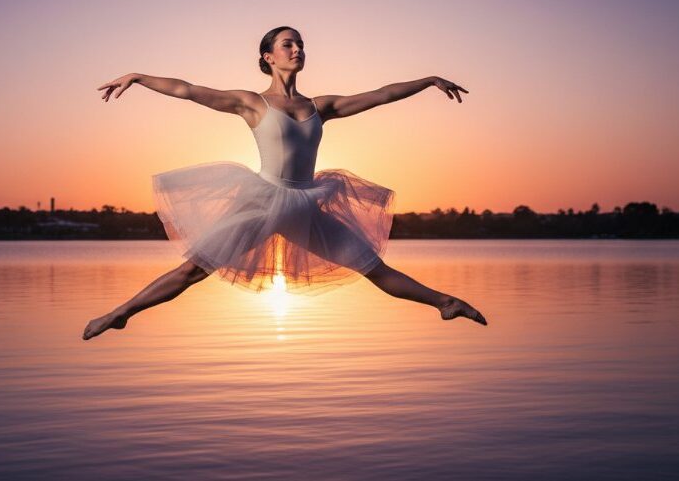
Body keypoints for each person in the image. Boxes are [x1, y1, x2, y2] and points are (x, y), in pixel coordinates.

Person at [83, 26, 486, 340]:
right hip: (261, 201)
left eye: (301, 45)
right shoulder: (251, 102)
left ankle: (446, 303)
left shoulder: (319, 107)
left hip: (306, 207)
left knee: (374, 268)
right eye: (288, 44)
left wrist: (429, 80)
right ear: (268, 56)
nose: (297, 50)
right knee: (193, 271)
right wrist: (136, 77)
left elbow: (380, 95)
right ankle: (120, 314)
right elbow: (188, 90)